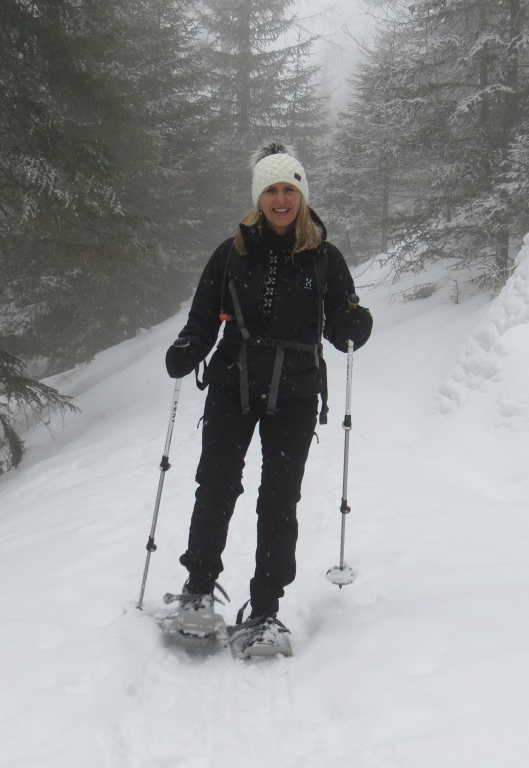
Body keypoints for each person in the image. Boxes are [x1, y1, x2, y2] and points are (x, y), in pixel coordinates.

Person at [163, 143, 372, 653]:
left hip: (296, 393)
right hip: (232, 384)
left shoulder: (324, 258)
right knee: (216, 486)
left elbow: (341, 323)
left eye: (289, 190)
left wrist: (355, 324)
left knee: (278, 501)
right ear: (259, 198)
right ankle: (198, 591)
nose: (281, 199)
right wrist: (189, 347)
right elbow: (202, 318)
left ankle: (265, 611)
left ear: (302, 195)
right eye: (272, 190)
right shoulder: (230, 253)